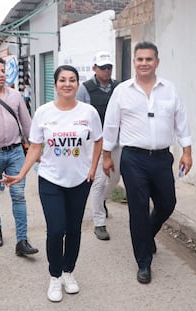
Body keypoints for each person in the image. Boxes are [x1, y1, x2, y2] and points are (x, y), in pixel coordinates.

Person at [0, 65, 102, 302]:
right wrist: (22, 174)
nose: (68, 84)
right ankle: (55, 276)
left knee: (74, 230)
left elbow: (98, 140)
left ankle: (68, 272)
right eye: (63, 80)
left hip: (80, 181)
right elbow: (35, 147)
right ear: (55, 85)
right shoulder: (44, 113)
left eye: (72, 80)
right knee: (57, 230)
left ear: (77, 84)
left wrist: (93, 167)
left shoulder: (88, 112)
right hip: (51, 180)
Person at [103, 41, 192, 284]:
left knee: (167, 203)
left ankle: (146, 235)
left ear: (157, 62)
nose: (144, 63)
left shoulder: (169, 90)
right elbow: (111, 125)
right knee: (138, 209)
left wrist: (187, 151)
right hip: (134, 159)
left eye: (148, 59)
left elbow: (181, 121)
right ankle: (143, 262)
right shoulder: (122, 91)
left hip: (163, 157)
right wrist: (107, 155)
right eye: (140, 59)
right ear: (134, 62)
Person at [0, 57, 38, 256]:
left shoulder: (16, 96)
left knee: (18, 195)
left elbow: (27, 124)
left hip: (15, 152)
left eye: (2, 70)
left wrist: (35, 149)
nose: (1, 74)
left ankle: (22, 240)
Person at [76, 51, 120, 241]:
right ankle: (99, 223)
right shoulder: (85, 89)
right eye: (103, 67)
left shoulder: (119, 87)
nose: (106, 70)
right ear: (94, 68)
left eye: (109, 67)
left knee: (115, 179)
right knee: (100, 180)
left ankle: (100, 202)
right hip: (96, 141)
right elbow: (80, 114)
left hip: (117, 140)